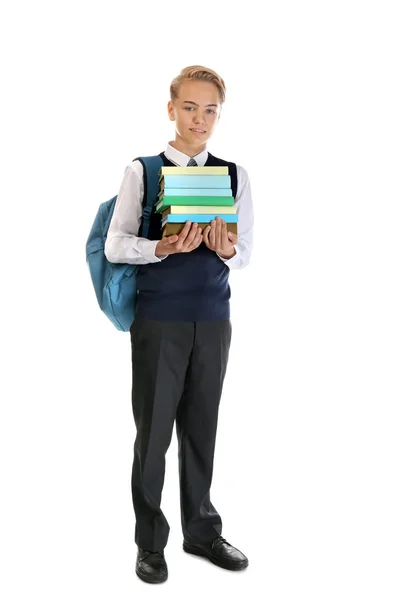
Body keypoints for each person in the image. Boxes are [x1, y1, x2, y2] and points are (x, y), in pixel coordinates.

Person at [104, 65, 254, 584]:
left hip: (213, 320)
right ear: (171, 109)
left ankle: (202, 531)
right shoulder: (142, 171)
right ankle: (150, 543)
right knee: (153, 434)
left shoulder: (233, 173)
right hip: (159, 320)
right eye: (189, 107)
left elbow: (245, 252)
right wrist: (161, 247)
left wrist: (227, 247)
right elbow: (115, 244)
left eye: (210, 109)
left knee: (202, 429)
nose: (200, 119)